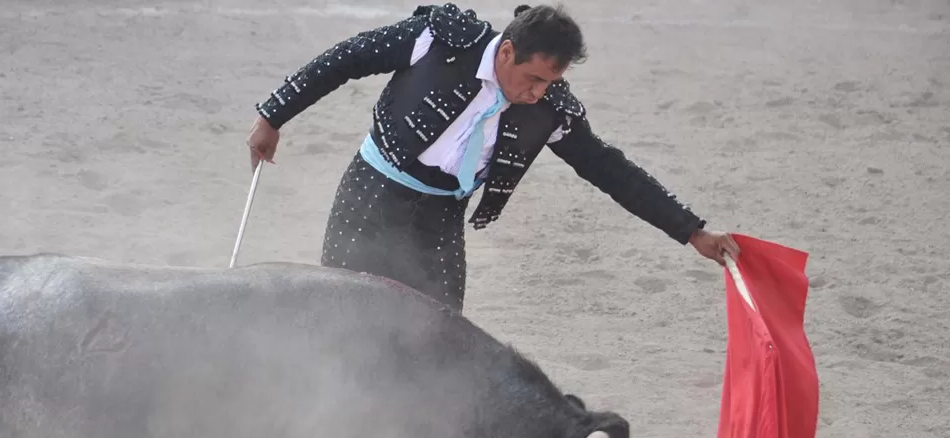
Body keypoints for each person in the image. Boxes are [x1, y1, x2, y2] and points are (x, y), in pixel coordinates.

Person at [246, 3, 739, 314]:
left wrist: (691, 230)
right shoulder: (438, 39)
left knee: (440, 342)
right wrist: (273, 115)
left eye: (551, 82)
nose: (539, 93)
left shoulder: (550, 107)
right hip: (372, 195)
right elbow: (346, 58)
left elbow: (608, 168)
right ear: (506, 52)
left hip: (440, 218)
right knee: (341, 319)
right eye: (534, 79)